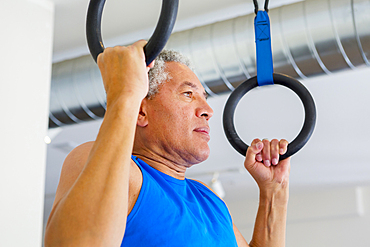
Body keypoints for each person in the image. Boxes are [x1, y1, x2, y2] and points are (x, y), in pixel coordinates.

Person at [44, 40, 290, 247]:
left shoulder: (209, 200)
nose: (208, 110)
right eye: (187, 94)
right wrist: (123, 96)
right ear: (141, 112)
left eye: (204, 98)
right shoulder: (110, 167)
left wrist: (274, 192)